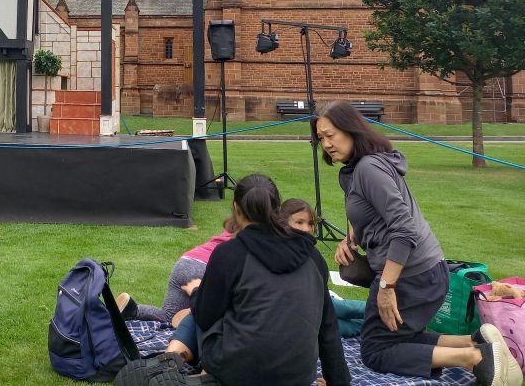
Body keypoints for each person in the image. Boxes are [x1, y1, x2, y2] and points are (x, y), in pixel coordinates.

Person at [316, 100, 522, 386]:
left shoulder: (369, 169)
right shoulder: (354, 171)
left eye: (331, 134)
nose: (326, 143)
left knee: (376, 350)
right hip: (421, 271)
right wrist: (350, 237)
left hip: (411, 275)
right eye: (320, 138)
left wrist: (387, 288)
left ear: (352, 130)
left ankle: (474, 359)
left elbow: (404, 229)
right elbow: (371, 210)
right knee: (402, 337)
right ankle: (478, 342)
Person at [164, 174, 351, 386]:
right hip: (297, 375)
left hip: (238, 372)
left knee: (201, 310)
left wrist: (198, 292)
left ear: (236, 208)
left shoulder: (230, 253)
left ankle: (191, 366)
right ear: (278, 210)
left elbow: (205, 317)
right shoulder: (312, 255)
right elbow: (328, 327)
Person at [114, 216, 238, 327]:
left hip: (186, 262)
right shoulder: (250, 231)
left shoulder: (234, 222)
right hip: (207, 267)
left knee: (168, 316)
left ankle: (133, 309)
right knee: (208, 315)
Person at [281, 198, 366, 338]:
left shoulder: (313, 255)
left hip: (319, 305)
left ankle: (395, 313)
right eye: (299, 222)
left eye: (311, 223)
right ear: (282, 223)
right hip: (299, 319)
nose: (306, 229)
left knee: (348, 309)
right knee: (352, 325)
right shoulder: (276, 253)